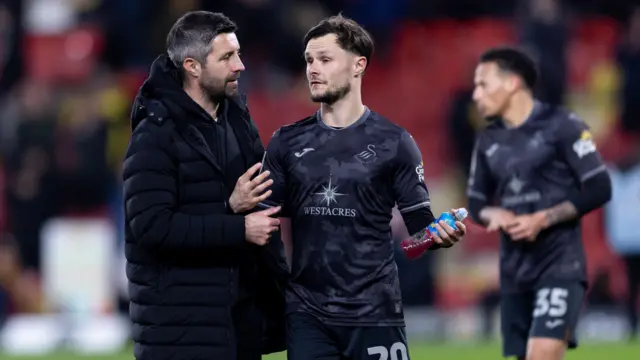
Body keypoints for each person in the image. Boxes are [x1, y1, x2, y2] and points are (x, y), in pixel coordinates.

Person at [260, 15, 466, 360]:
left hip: (375, 313)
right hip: (308, 315)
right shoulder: (285, 143)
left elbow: (419, 230)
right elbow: (261, 223)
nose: (313, 68)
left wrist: (439, 233)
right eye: (309, 60)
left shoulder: (395, 143)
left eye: (325, 60)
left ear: (359, 65)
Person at [123, 11, 288, 360]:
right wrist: (234, 220)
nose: (240, 65)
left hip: (237, 326)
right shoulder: (154, 134)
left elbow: (263, 206)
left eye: (239, 53)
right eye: (227, 57)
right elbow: (152, 226)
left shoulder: (238, 123)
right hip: (178, 331)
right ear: (192, 66)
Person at [466, 47, 612, 360]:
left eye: (484, 85)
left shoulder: (563, 125)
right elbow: (476, 202)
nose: (476, 95)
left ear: (513, 82)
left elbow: (599, 186)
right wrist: (497, 214)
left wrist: (542, 219)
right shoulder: (488, 140)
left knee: (542, 354)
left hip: (559, 264)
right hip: (514, 272)